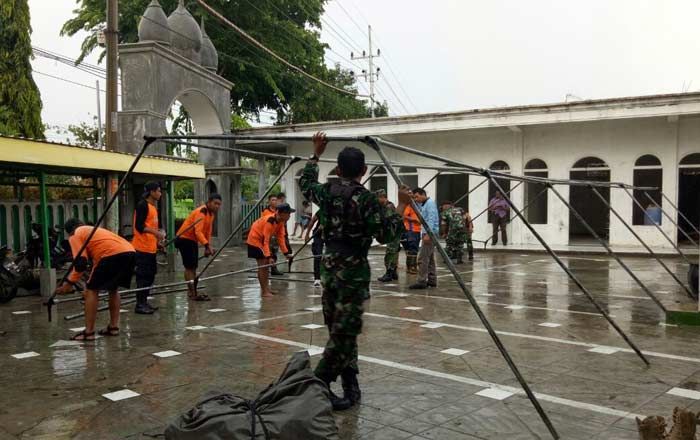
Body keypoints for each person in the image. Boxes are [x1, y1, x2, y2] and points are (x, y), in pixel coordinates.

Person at [300, 132, 404, 411]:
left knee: (340, 329)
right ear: (364, 171)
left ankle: (350, 385)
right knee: (344, 334)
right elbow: (387, 234)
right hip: (353, 270)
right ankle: (316, 385)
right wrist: (401, 207)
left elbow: (306, 183)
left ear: (338, 169)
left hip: (329, 267)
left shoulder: (326, 192)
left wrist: (316, 153)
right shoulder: (366, 199)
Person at [54, 219, 136, 341]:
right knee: (113, 289)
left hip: (110, 254)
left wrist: (69, 283)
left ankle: (89, 332)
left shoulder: (75, 235)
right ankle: (113, 327)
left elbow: (81, 263)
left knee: (91, 291)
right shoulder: (95, 230)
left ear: (69, 232)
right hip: (129, 252)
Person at [174, 194, 222, 301]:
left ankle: (193, 291)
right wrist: (207, 245)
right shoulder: (202, 212)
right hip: (184, 239)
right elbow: (198, 231)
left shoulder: (211, 214)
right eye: (215, 203)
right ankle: (191, 292)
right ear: (209, 202)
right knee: (189, 267)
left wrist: (207, 246)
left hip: (192, 240)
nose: (217, 206)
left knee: (194, 267)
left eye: (219, 204)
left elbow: (208, 231)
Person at [247, 203, 294, 297]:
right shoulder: (270, 221)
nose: (290, 215)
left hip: (262, 242)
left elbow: (281, 238)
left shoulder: (281, 222)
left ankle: (266, 289)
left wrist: (286, 253)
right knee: (263, 265)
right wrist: (269, 256)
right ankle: (264, 291)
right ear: (282, 213)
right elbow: (266, 240)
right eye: (288, 213)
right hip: (255, 241)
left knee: (266, 266)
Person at [131, 181, 165, 314]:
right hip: (141, 248)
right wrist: (156, 233)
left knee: (150, 276)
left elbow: (150, 226)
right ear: (151, 192)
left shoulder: (153, 207)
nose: (160, 193)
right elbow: (139, 227)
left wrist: (157, 242)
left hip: (150, 248)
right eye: (158, 191)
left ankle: (144, 301)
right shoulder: (142, 205)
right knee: (143, 277)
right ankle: (140, 304)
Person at [409, 188, 439, 290]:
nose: (416, 199)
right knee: (429, 258)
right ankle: (432, 280)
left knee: (422, 258)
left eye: (417, 196)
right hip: (428, 233)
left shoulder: (429, 204)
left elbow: (431, 218)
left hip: (430, 233)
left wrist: (428, 234)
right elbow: (416, 206)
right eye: (414, 197)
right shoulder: (424, 204)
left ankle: (421, 281)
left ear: (423, 194)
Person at [377, 190, 402, 282]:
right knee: (393, 252)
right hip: (394, 233)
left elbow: (389, 222)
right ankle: (393, 273)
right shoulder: (386, 206)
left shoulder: (388, 207)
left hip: (393, 233)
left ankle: (389, 273)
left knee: (390, 253)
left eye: (378, 198)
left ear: (383, 197)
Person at [402, 191, 420, 274]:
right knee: (412, 249)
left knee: (413, 249)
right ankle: (412, 267)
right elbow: (403, 216)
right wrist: (414, 219)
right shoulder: (409, 205)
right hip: (411, 230)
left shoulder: (417, 206)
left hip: (417, 230)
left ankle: (410, 267)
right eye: (414, 197)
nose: (416, 199)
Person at [305, 212, 323, 287]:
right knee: (317, 256)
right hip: (318, 234)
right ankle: (317, 278)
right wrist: (307, 234)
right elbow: (312, 221)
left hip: (331, 235)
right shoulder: (322, 210)